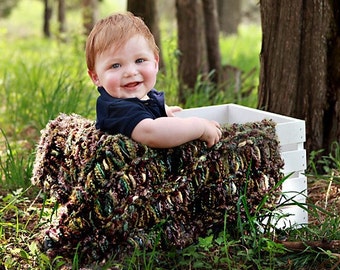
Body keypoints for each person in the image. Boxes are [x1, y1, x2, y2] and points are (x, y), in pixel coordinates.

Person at [85, 12, 222, 148]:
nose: (131, 72)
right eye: (115, 65)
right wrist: (199, 127)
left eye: (139, 60)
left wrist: (163, 110)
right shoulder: (115, 109)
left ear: (155, 64)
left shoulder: (145, 95)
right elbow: (153, 133)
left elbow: (147, 107)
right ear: (96, 77)